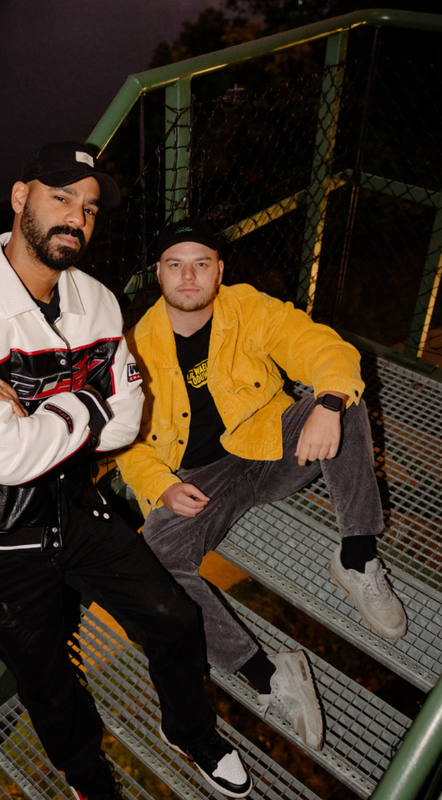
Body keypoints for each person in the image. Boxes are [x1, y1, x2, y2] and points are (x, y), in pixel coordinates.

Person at [0, 147, 253, 800]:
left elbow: (124, 425)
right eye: (60, 197)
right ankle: (86, 775)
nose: (76, 217)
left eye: (88, 208)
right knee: (46, 677)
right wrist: (87, 401)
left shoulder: (96, 303)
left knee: (173, 618)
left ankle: (190, 730)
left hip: (71, 502)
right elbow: (4, 458)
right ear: (19, 198)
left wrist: (40, 414)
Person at [115, 218, 408, 752]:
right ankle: (268, 674)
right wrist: (160, 485)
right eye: (175, 265)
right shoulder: (134, 349)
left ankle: (357, 556)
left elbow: (321, 346)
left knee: (343, 399)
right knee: (153, 562)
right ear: (158, 273)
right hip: (199, 480)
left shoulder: (247, 307)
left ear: (219, 270)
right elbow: (124, 440)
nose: (188, 276)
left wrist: (328, 404)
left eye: (201, 264)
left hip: (270, 443)